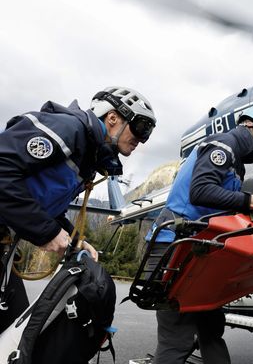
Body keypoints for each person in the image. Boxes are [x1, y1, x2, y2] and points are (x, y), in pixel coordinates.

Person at [0, 86, 156, 333]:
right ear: (112, 117)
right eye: (140, 126)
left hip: (5, 246)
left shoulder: (87, 154)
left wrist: (75, 241)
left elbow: (48, 206)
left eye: (148, 132)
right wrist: (47, 232)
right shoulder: (67, 129)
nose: (142, 138)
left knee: (17, 335)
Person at [148, 104, 253, 364]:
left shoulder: (235, 163)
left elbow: (221, 208)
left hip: (196, 250)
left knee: (211, 328)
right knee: (177, 338)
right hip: (173, 247)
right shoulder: (223, 145)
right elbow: (200, 191)